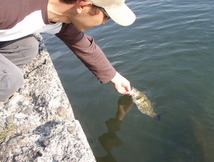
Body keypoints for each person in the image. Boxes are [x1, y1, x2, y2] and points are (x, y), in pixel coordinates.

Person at [0, 0, 136, 102]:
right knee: (10, 79)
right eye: (107, 16)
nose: (105, 22)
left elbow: (85, 47)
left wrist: (115, 77)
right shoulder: (11, 8)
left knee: (26, 48)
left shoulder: (61, 21)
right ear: (83, 5)